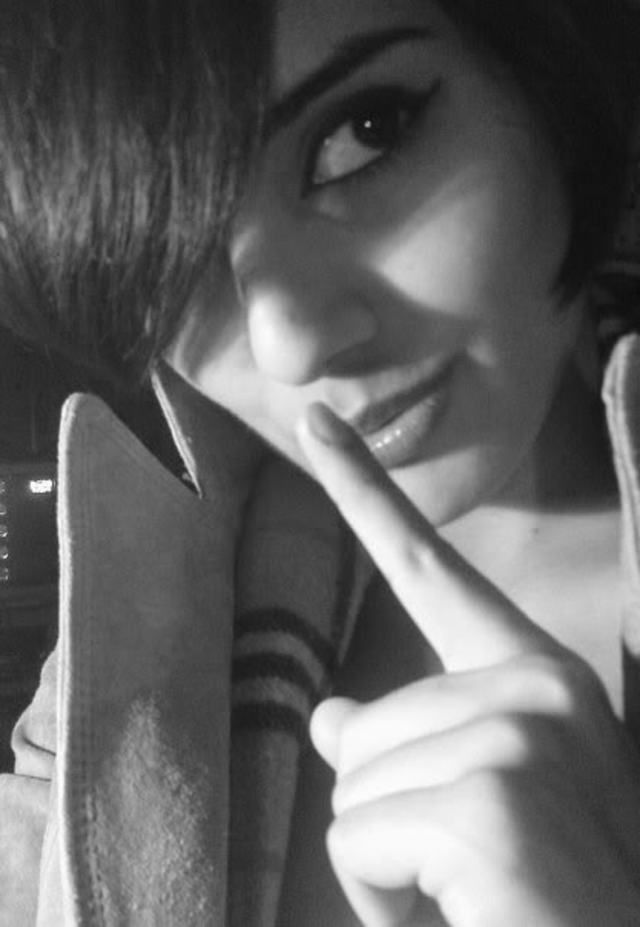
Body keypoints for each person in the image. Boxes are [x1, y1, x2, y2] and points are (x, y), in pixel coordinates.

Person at [2, 0, 640, 924]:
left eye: (361, 134)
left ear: (546, 71)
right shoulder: (114, 672)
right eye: (170, 262)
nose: (288, 342)